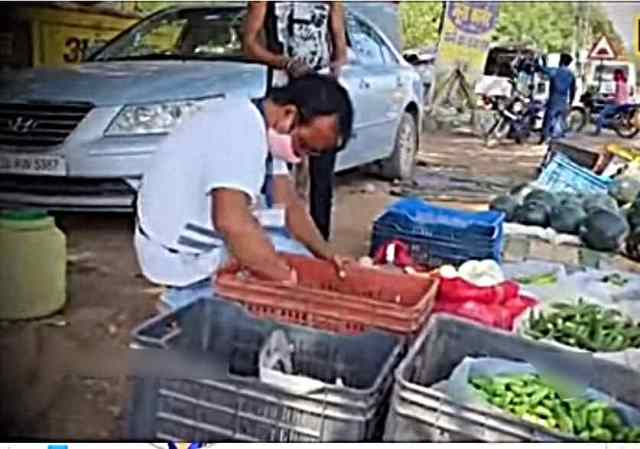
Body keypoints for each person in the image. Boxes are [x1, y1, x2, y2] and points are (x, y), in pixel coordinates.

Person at [134, 74, 354, 311]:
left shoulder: (263, 126)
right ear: (289, 114)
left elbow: (289, 205)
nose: (301, 157)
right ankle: (183, 299)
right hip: (179, 255)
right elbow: (231, 222)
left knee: (294, 257)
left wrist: (327, 256)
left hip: (202, 237)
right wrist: (286, 281)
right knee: (277, 284)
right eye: (303, 146)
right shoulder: (241, 127)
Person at [243, 1, 348, 242]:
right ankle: (278, 241)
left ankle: (319, 244)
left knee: (322, 174)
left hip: (320, 96)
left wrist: (335, 69)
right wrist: (285, 63)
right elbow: (249, 44)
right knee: (278, 174)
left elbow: (339, 44)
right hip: (285, 92)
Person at [537, 53, 577, 145]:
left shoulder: (555, 71)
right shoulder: (571, 74)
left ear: (561, 60)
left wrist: (542, 61)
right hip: (564, 101)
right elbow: (573, 89)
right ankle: (555, 141)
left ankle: (544, 139)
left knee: (548, 120)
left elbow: (542, 69)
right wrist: (570, 102)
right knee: (559, 122)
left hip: (554, 100)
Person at [594, 69, 630, 136]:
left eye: (615, 74)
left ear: (618, 75)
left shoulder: (617, 84)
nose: (614, 76)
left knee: (600, 116)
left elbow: (616, 95)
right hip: (624, 103)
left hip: (617, 104)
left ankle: (598, 131)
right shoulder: (626, 83)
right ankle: (610, 123)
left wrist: (606, 99)